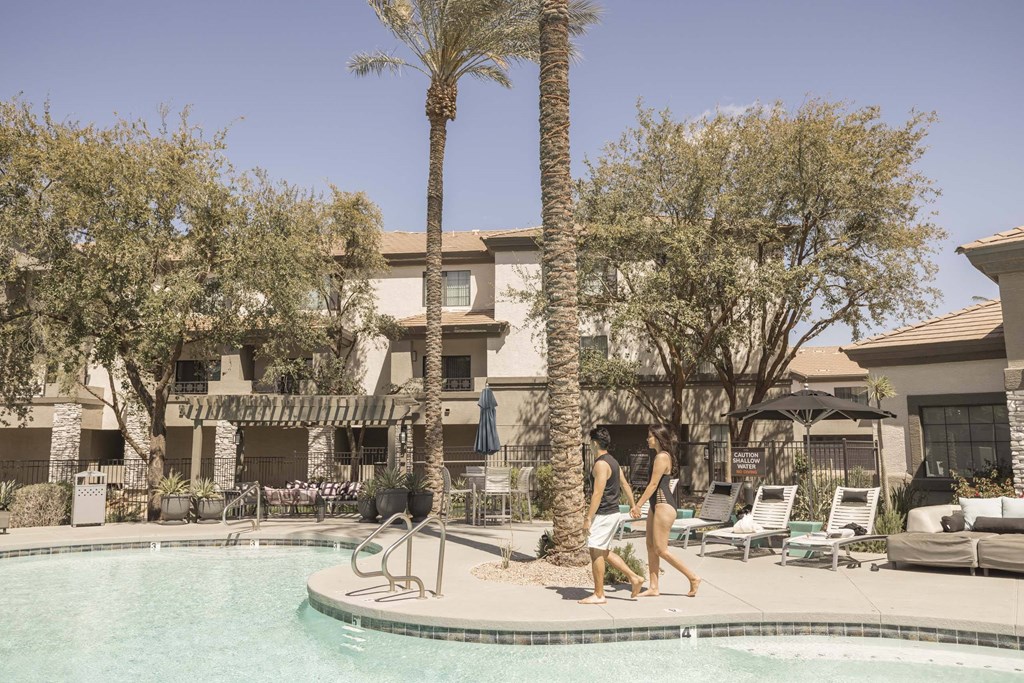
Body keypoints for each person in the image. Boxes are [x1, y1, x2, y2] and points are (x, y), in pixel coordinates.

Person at [630, 424, 701, 598]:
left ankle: (693, 577)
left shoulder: (662, 457)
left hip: (663, 505)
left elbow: (653, 485)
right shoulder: (658, 456)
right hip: (657, 505)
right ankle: (654, 587)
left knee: (661, 549)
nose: (647, 439)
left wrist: (638, 505)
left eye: (650, 436)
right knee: (650, 546)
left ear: (658, 438)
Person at [578, 426, 645, 605]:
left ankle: (599, 595)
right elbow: (625, 484)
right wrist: (633, 505)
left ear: (593, 443)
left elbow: (597, 494)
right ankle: (634, 577)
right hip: (613, 513)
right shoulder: (613, 462)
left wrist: (588, 518)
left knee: (595, 552)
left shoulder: (601, 464)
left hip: (604, 514)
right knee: (603, 551)